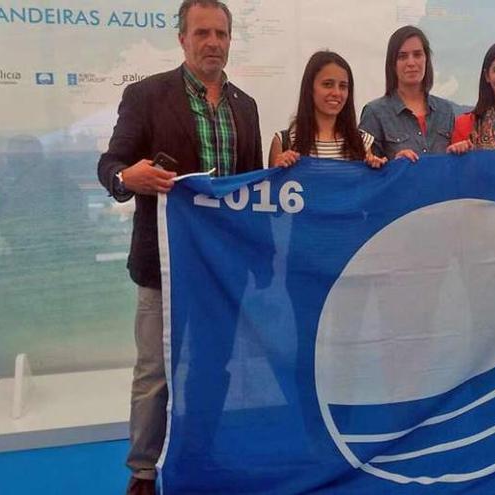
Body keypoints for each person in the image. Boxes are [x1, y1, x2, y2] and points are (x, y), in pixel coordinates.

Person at [96, 1, 263, 493]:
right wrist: (130, 177)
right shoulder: (147, 96)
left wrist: (257, 259)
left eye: (221, 33)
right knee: (154, 372)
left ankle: (203, 449)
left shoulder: (246, 106)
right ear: (183, 39)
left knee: (214, 366)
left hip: (221, 268)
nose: (213, 42)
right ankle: (143, 472)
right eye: (203, 32)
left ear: (230, 39)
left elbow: (250, 188)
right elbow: (111, 165)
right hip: (163, 267)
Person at [269, 51, 387, 168]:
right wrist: (279, 168)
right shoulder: (284, 141)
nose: (336, 93)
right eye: (327, 84)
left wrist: (377, 168)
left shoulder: (362, 142)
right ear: (310, 88)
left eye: (343, 86)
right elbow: (271, 185)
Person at [359, 26, 455, 161]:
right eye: (402, 56)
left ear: (426, 59)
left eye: (417, 55)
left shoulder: (445, 111)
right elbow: (368, 170)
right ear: (392, 64)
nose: (411, 63)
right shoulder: (374, 112)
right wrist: (395, 165)